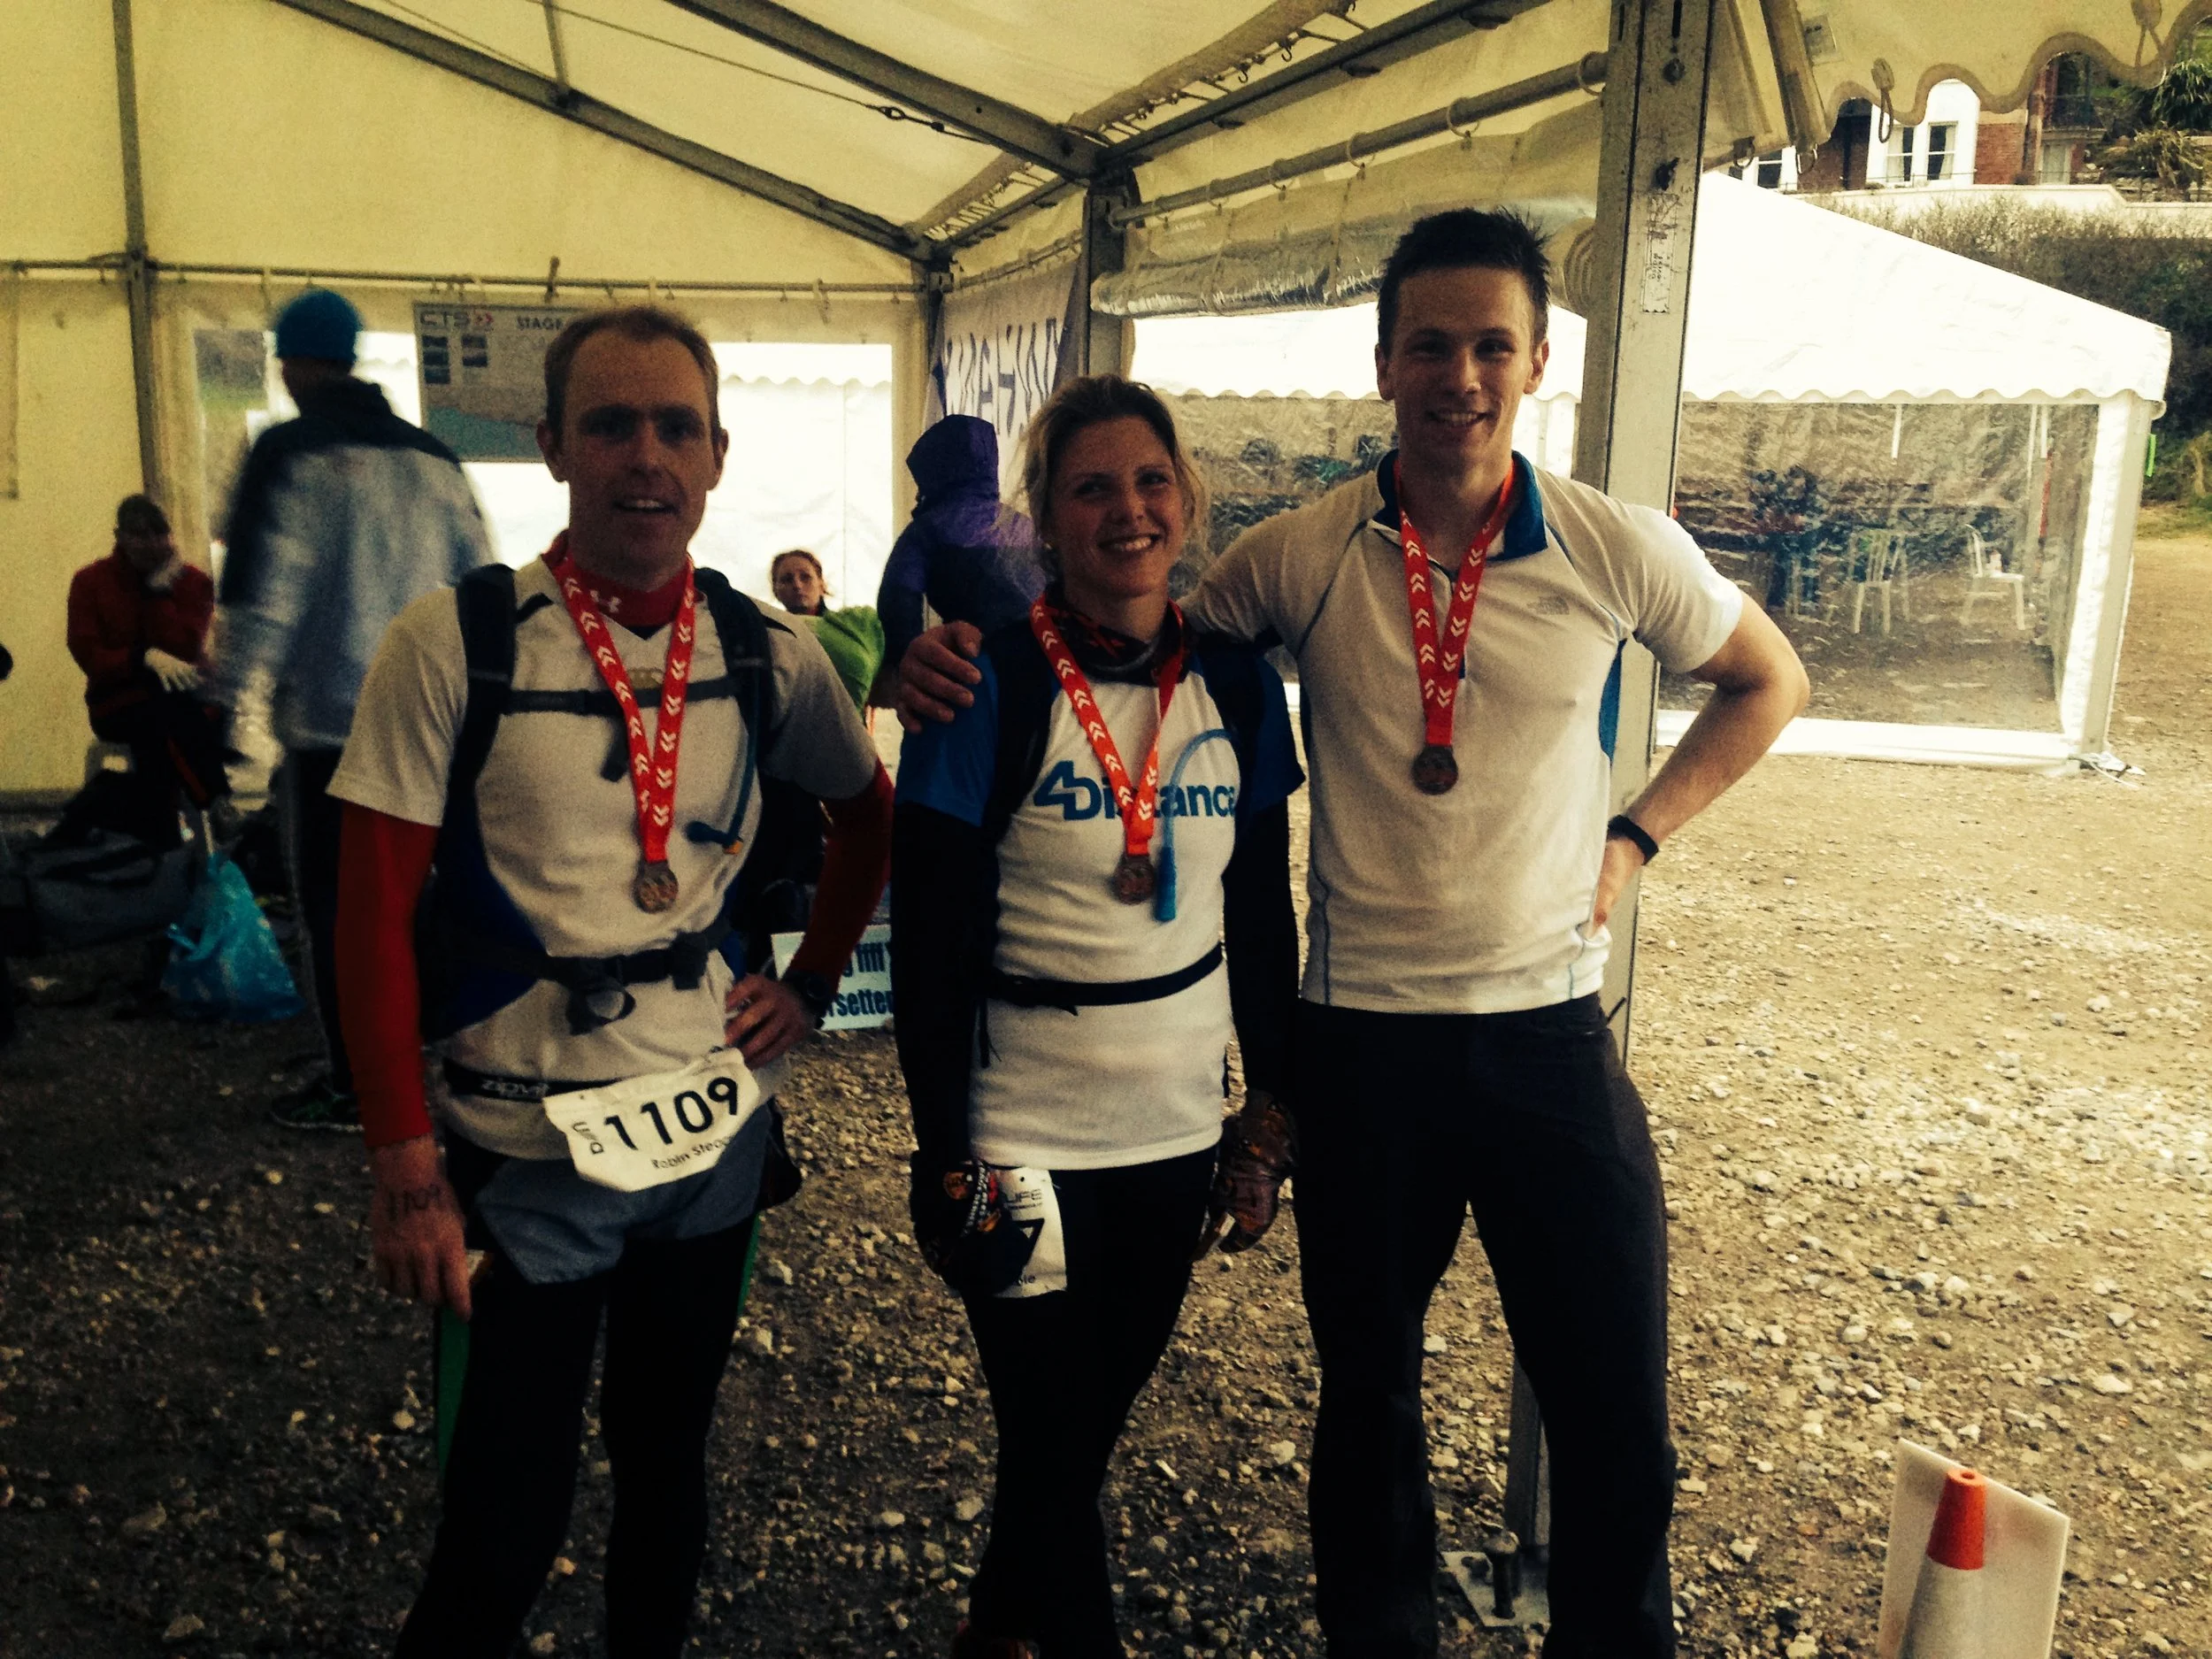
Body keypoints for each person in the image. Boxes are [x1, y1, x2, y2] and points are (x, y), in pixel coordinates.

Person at [901, 211, 1810, 1658]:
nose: (1462, 375)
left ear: (1540, 361)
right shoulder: (1300, 555)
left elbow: (1769, 680)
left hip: (1547, 1034)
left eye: (1492, 345)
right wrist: (954, 656)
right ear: (1384, 362)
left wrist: (1637, 835)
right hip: (1364, 1046)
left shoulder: (1612, 543)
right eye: (1431, 345)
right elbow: (1131, 638)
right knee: (1369, 1408)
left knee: (1616, 1414)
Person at [327, 304, 895, 1658]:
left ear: (716, 455)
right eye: (612, 424)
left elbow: (870, 818)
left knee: (667, 1476)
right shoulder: (451, 643)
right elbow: (366, 918)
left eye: (676, 427)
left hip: (709, 1144)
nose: (647, 455)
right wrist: (404, 1163)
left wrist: (811, 984)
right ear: (553, 446)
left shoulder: (767, 650)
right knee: (501, 1521)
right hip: (521, 1150)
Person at [892, 376, 1303, 1659]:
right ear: (1045, 518)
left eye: (1149, 481)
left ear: (1186, 498)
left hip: (1172, 1128)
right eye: (1090, 488)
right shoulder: (984, 683)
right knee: (1048, 1422)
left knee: (1079, 1424)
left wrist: (1268, 1114)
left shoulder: (1238, 685)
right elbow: (928, 944)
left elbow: (1262, 915)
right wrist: (941, 1148)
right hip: (1018, 1130)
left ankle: (997, 1626)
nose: (1127, 510)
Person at [207, 288, 494, 1132]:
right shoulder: (434, 459)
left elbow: (264, 598)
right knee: (425, 896)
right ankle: (430, 1045)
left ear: (293, 364)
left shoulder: (289, 453)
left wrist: (223, 703)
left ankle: (355, 1083)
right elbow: (482, 583)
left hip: (333, 732)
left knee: (341, 913)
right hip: (434, 725)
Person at [63, 495, 236, 843]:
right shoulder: (91, 582)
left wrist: (159, 593)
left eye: (159, 534)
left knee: (168, 729)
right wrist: (139, 658)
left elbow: (185, 648)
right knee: (166, 716)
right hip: (118, 699)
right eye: (139, 534)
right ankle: (217, 804)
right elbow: (89, 654)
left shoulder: (193, 583)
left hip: (184, 696)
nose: (151, 544)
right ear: (120, 536)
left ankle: (160, 831)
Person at [876, 412, 1044, 668]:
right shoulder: (1024, 525)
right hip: (1049, 657)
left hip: (971, 661)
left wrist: (905, 661)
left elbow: (897, 598)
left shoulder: (926, 529)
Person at [770, 546, 885, 710]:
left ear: (821, 584)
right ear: (776, 590)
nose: (797, 585)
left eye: (806, 577)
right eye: (787, 580)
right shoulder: (770, 635)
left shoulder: (853, 628)